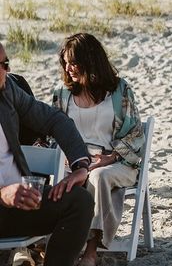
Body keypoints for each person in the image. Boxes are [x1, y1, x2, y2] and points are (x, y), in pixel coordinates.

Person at [52, 33, 144, 266]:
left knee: (98, 176)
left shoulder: (119, 91)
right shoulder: (63, 94)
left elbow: (136, 134)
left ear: (90, 60)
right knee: (54, 175)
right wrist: (65, 158)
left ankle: (90, 252)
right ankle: (52, 245)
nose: (69, 67)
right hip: (74, 160)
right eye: (65, 62)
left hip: (116, 162)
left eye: (74, 62)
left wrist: (109, 157)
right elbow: (51, 132)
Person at [0, 42, 94, 266]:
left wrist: (80, 165)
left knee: (80, 202)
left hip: (22, 202)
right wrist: (3, 193)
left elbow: (54, 119)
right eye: (3, 65)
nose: (8, 70)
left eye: (7, 62)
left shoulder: (7, 90)